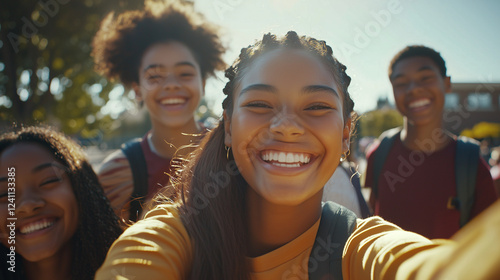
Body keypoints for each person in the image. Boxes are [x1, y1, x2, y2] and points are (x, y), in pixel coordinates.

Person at [95, 32, 500, 280]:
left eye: (318, 107)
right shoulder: (173, 233)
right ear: (229, 127)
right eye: (259, 104)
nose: (287, 125)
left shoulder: (361, 247)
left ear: (346, 135)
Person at [91, 0, 226, 222]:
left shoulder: (232, 153)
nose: (171, 84)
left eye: (185, 73)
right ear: (137, 90)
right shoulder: (116, 175)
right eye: (155, 76)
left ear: (203, 83)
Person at [364, 45, 498, 239]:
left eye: (425, 78)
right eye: (401, 82)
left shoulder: (470, 164)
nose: (414, 89)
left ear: (447, 83)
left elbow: (487, 246)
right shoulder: (379, 153)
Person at [0, 126, 122, 280]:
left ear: (81, 190)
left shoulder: (134, 270)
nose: (27, 205)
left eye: (48, 181)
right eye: (5, 194)